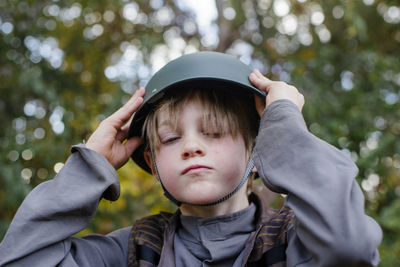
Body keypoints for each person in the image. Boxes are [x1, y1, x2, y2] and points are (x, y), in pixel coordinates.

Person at [0, 52, 382, 266]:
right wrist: (90, 165)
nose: (191, 147)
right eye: (170, 138)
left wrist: (284, 127)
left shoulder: (295, 243)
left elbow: (349, 248)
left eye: (214, 133)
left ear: (257, 150)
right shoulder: (131, 253)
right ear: (151, 162)